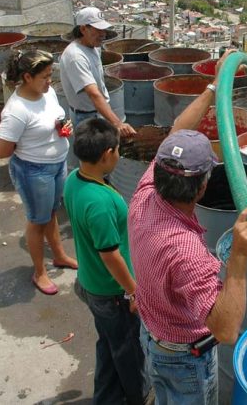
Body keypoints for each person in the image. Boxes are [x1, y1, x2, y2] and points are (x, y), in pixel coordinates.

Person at [129, 51, 247, 404]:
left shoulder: (145, 194)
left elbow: (178, 131)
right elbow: (224, 329)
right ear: (204, 186)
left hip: (154, 333)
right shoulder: (186, 251)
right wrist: (238, 257)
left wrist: (213, 87)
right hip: (184, 359)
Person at [64, 118, 150, 405]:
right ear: (106, 155)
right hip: (110, 292)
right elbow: (110, 255)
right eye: (117, 150)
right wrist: (133, 290)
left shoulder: (74, 180)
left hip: (90, 283)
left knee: (109, 343)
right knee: (127, 350)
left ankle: (105, 397)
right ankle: (136, 397)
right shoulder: (100, 202)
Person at [0, 50, 77, 296]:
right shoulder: (17, 111)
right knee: (37, 221)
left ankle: (59, 255)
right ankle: (39, 271)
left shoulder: (47, 93)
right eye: (45, 76)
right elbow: (0, 151)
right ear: (27, 77)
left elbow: (53, 118)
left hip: (56, 164)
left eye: (51, 75)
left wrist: (63, 127)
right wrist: (29, 143)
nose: (50, 81)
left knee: (50, 213)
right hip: (33, 170)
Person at [59, 7, 135, 137]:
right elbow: (93, 93)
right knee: (92, 156)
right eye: (98, 30)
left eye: (103, 29)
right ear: (83, 29)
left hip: (98, 112)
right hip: (86, 118)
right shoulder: (76, 57)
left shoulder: (93, 47)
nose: (103, 34)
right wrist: (117, 123)